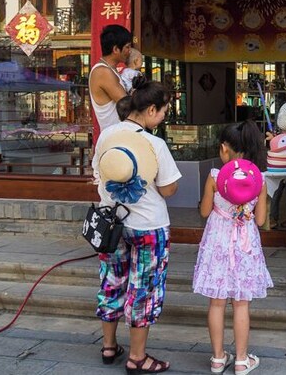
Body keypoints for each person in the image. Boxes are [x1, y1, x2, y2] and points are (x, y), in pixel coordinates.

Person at [93, 76, 180, 374]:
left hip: (111, 223)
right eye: (164, 111)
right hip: (148, 226)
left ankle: (108, 346)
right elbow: (168, 188)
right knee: (144, 287)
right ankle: (138, 357)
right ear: (151, 109)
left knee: (111, 281)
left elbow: (98, 173)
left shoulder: (106, 136)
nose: (164, 117)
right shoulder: (154, 144)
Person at [193, 121, 272, 375]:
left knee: (217, 303)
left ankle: (218, 359)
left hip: (217, 241)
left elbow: (205, 211)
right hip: (245, 243)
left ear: (224, 148)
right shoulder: (259, 179)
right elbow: (260, 220)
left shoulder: (215, 177)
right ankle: (241, 360)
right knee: (241, 304)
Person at [90, 24, 133, 132]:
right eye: (127, 47)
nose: (130, 51)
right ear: (116, 49)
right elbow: (127, 105)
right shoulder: (103, 72)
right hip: (114, 137)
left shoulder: (111, 70)